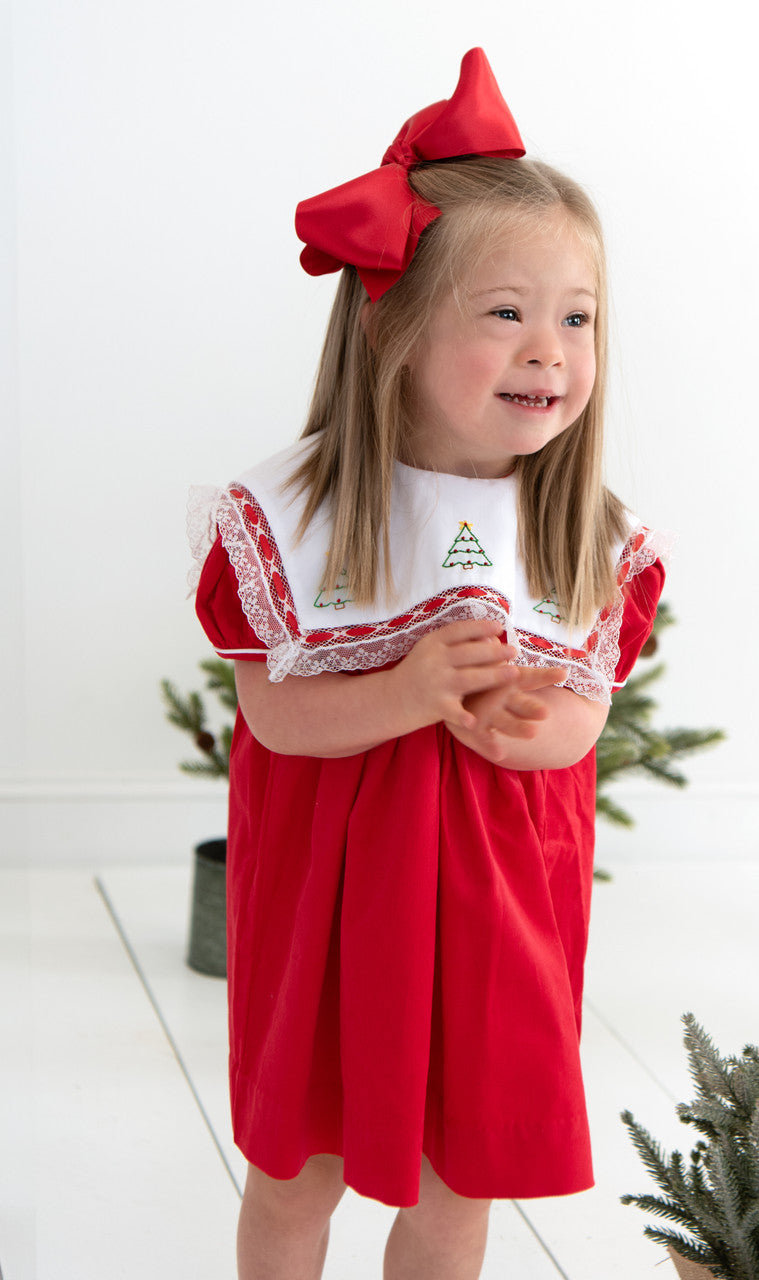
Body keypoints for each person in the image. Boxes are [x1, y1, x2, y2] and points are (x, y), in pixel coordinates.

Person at [192, 47, 666, 1280]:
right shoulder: (294, 520)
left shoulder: (587, 538)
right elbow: (277, 720)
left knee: (462, 1187)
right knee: (300, 1177)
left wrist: (535, 724)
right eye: (505, 312)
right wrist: (407, 692)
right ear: (390, 319)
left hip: (497, 913)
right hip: (337, 908)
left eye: (577, 318)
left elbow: (583, 718)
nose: (548, 350)